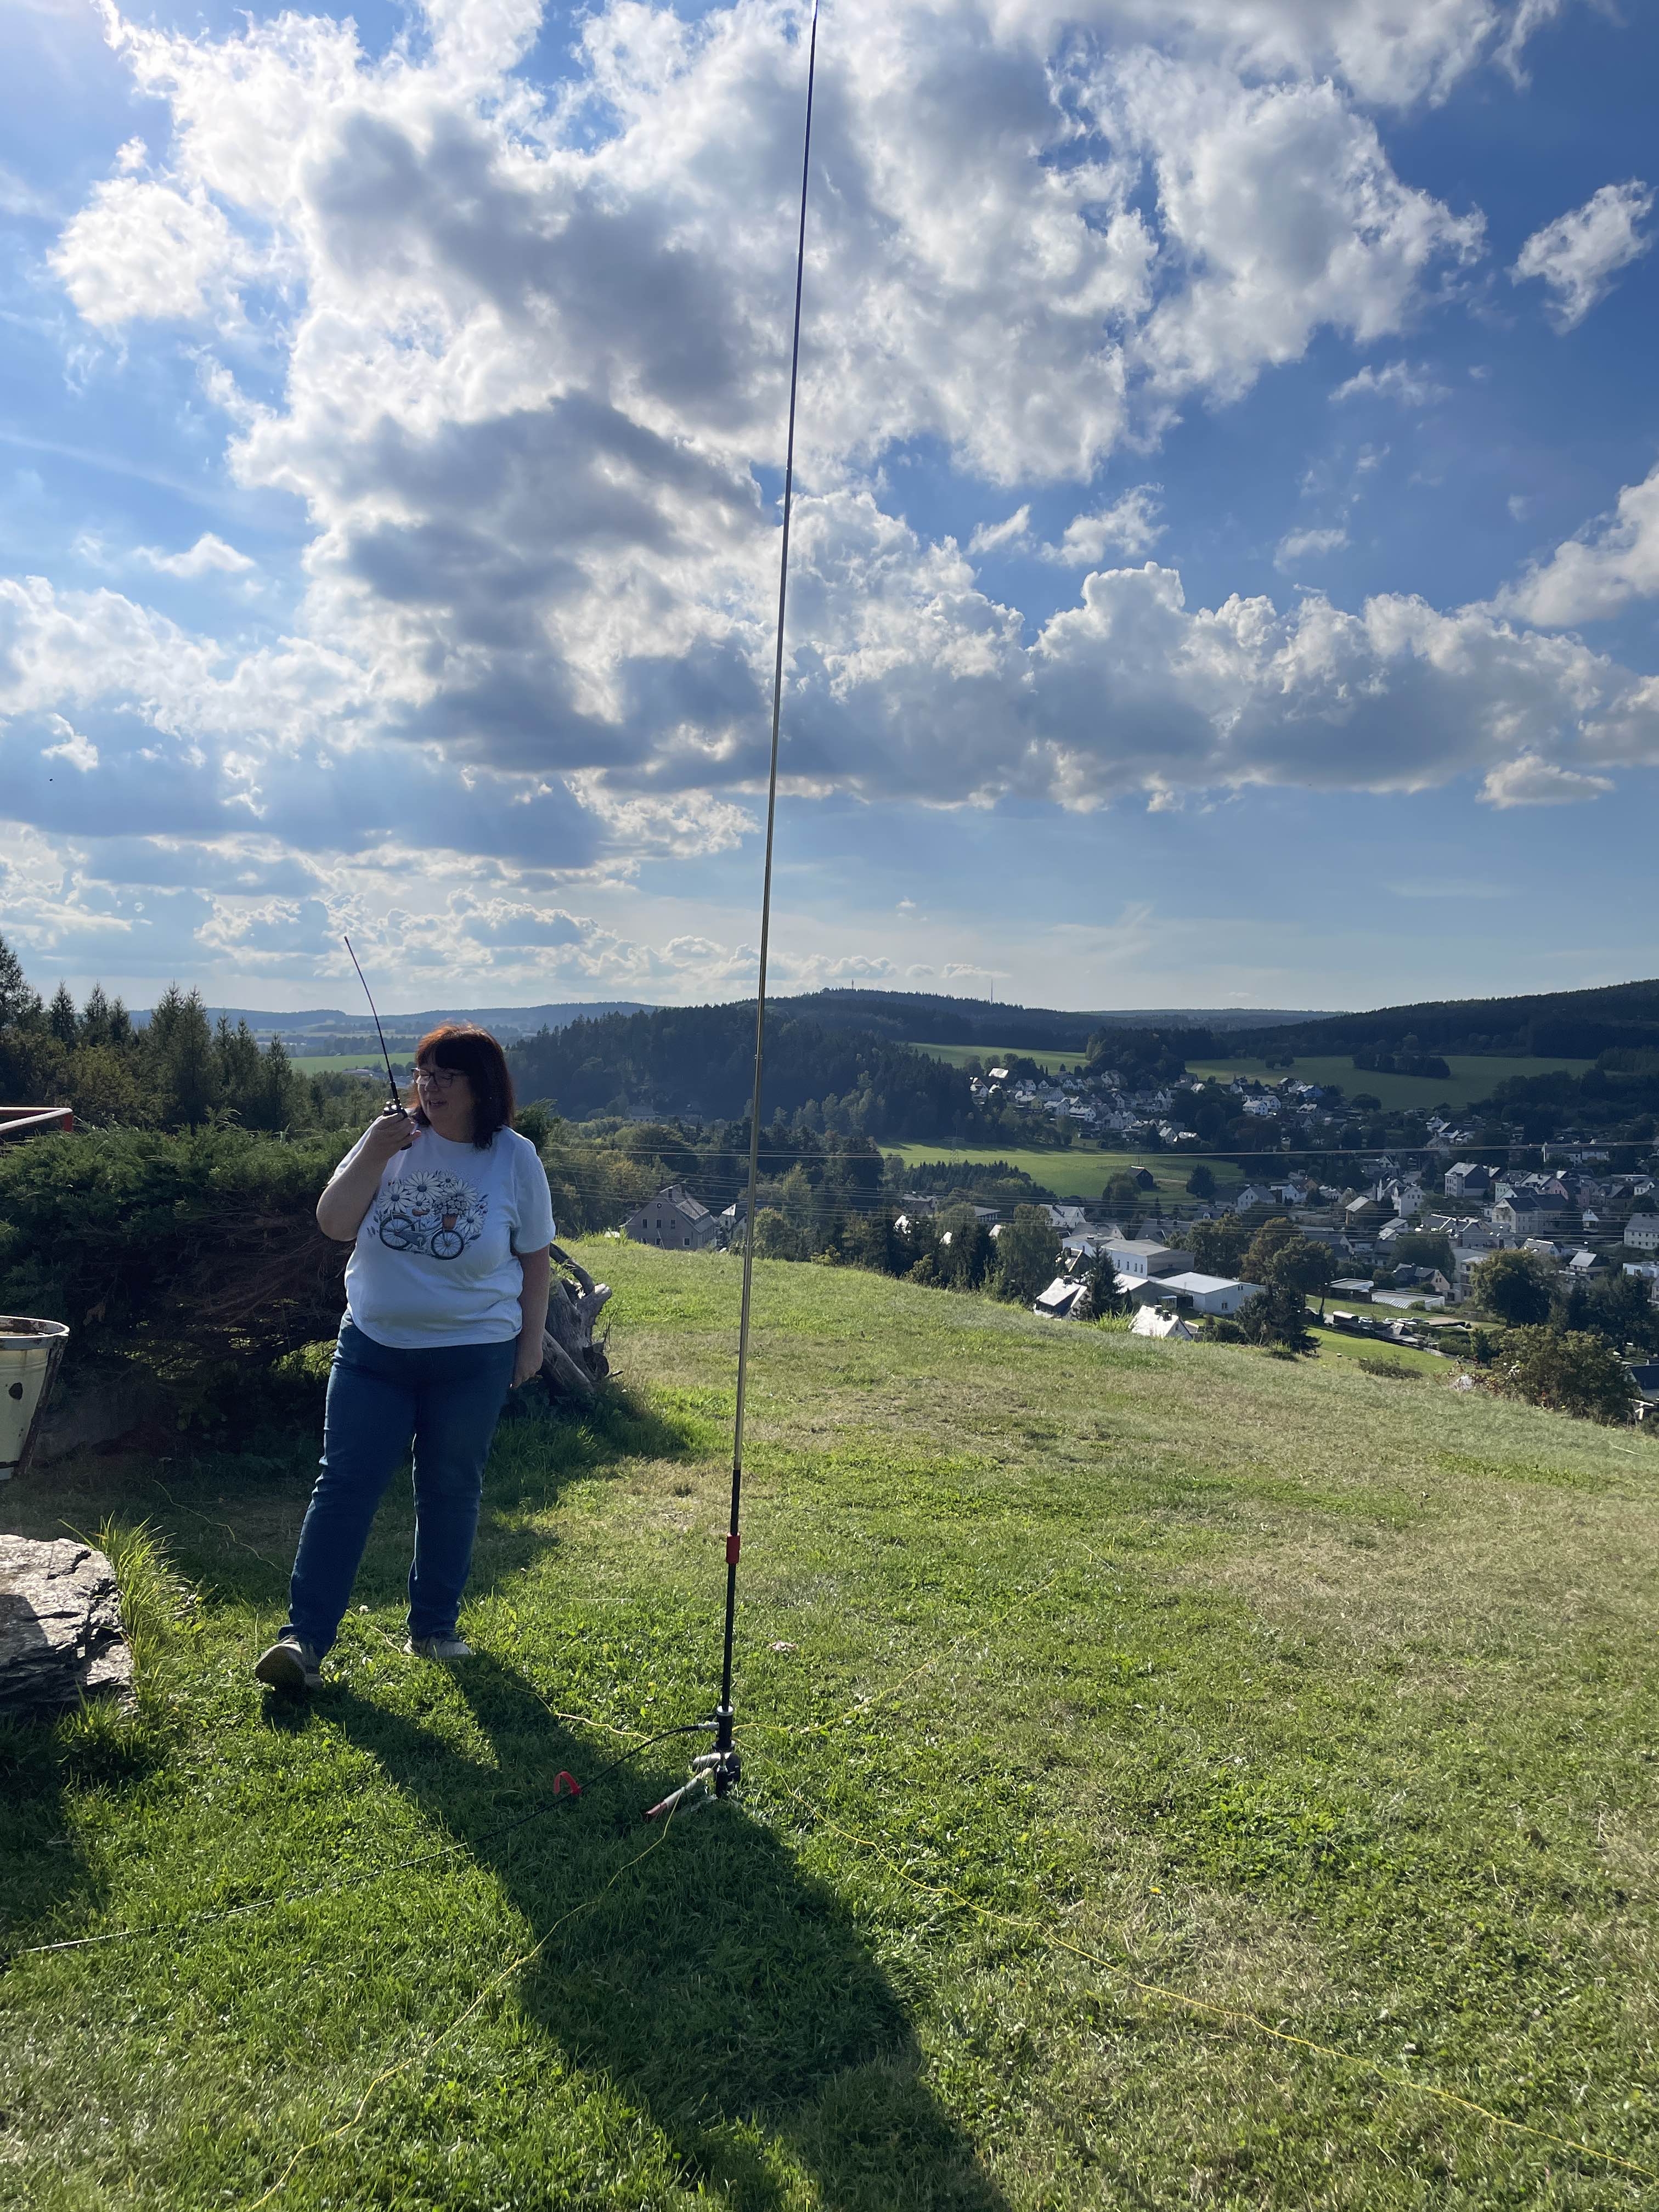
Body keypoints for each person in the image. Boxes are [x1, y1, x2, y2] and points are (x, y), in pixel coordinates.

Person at [254, 1025, 553, 1692]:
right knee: (344, 1488)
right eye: (423, 1073)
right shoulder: (387, 1140)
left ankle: (435, 1630)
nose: (430, 1087)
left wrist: (530, 1343)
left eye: (447, 1075)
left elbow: (535, 1260)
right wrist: (373, 1152)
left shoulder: (514, 1157)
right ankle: (303, 1642)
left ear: (481, 1086)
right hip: (373, 1351)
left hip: (474, 1355)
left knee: (451, 1489)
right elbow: (334, 1222)